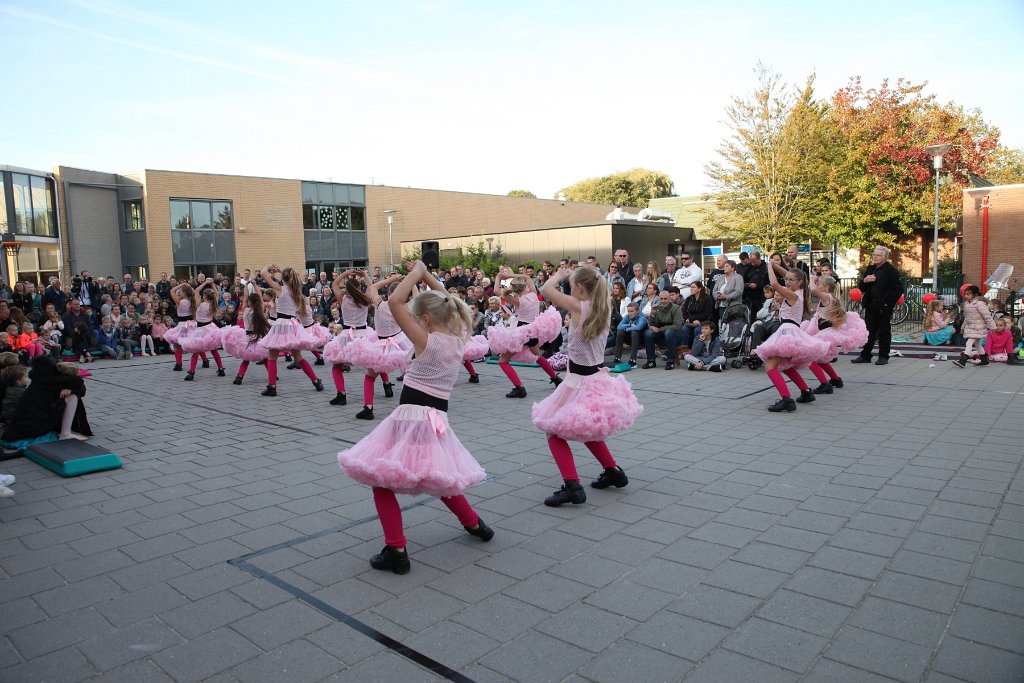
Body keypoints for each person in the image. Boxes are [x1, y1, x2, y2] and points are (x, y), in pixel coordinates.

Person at [338, 261, 492, 575]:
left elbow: (394, 302)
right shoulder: (459, 339)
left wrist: (417, 272)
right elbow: (449, 300)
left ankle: (396, 549)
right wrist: (427, 277)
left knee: (381, 480)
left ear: (423, 318)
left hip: (411, 418)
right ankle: (475, 525)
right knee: (440, 477)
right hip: (438, 418)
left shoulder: (425, 340)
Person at [534, 265, 642, 506]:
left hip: (578, 381)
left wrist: (559, 276)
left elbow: (545, 289)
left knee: (553, 431)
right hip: (596, 379)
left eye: (572, 285)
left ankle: (572, 485)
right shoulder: (604, 307)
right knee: (587, 428)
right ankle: (613, 471)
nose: (569, 289)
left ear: (580, 288)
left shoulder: (579, 307)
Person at [754, 261, 830, 412]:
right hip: (791, 331)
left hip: (787, 332)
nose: (787, 282)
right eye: (786, 280)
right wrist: (777, 267)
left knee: (770, 366)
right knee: (786, 365)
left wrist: (769, 267)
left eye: (790, 280)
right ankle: (806, 392)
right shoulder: (800, 291)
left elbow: (775, 285)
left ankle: (786, 399)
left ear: (800, 282)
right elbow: (788, 275)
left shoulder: (793, 295)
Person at [342, 274, 411, 420]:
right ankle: (410, 405)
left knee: (370, 377)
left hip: (382, 345)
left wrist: (391, 279)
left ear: (389, 293)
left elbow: (373, 287)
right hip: (401, 343)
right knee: (410, 374)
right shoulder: (405, 307)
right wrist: (410, 282)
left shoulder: (380, 304)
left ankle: (368, 408)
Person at [487, 267, 563, 398]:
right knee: (537, 356)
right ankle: (556, 379)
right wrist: (511, 274)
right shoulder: (533, 295)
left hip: (522, 332)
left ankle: (519, 388)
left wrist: (500, 277)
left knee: (503, 361)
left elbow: (496, 291)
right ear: (525, 287)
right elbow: (527, 278)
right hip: (533, 331)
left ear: (514, 290)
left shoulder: (518, 301)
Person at [257, 265, 326, 396]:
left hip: (281, 324)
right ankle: (316, 381)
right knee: (298, 356)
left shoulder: (280, 289)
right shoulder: (297, 291)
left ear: (283, 278)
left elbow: (263, 273)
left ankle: (272, 386)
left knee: (272, 355)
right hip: (293, 324)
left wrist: (271, 267)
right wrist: (281, 271)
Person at [2, 356, 92, 443]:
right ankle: (65, 433)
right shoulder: (52, 379)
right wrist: (71, 388)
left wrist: (71, 389)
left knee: (71, 395)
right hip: (34, 424)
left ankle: (65, 432)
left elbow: (80, 386)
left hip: (25, 422)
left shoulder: (38, 377)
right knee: (72, 397)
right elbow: (79, 382)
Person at [801, 275, 867, 395]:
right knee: (819, 359)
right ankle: (836, 379)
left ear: (826, 288)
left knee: (810, 358)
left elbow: (813, 289)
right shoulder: (829, 297)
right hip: (824, 332)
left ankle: (824, 384)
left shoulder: (826, 297)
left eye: (819, 284)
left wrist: (812, 277)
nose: (817, 285)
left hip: (826, 334)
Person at [323, 270, 378, 406]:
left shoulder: (343, 299)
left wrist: (345, 273)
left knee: (337, 365)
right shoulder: (365, 299)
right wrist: (365, 275)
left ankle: (341, 394)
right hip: (364, 334)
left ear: (347, 288)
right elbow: (372, 288)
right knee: (374, 362)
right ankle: (387, 384)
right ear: (359, 288)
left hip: (347, 334)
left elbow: (335, 284)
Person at [851, 246, 904, 366]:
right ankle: (866, 355)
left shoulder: (891, 271)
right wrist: (865, 281)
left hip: (883, 306)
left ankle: (883, 356)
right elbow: (861, 287)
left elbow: (898, 289)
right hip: (871, 304)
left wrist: (887, 303)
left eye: (878, 255)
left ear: (885, 257)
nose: (875, 257)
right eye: (874, 255)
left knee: (884, 331)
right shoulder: (870, 269)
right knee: (869, 331)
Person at [178, 280, 227, 380]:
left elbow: (195, 291)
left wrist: (205, 283)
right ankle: (221, 369)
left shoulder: (199, 304)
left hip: (200, 329)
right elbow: (217, 293)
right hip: (210, 328)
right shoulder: (213, 304)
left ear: (204, 297)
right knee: (214, 350)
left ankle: (191, 372)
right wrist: (212, 284)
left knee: (196, 352)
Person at [222, 292, 272, 385]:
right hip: (258, 337)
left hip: (248, 337)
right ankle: (272, 374)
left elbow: (245, 299)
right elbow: (260, 302)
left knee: (246, 359)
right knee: (265, 357)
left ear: (250, 302)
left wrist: (246, 287)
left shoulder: (246, 311)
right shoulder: (259, 312)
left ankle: (239, 377)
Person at [952, 285, 995, 368]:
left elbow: (987, 316)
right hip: (971, 327)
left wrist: (993, 327)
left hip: (978, 327)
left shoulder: (980, 304)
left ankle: (963, 361)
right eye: (965, 294)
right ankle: (984, 360)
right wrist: (963, 327)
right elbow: (967, 317)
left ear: (975, 295)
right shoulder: (967, 304)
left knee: (969, 343)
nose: (966, 296)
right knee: (977, 344)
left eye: (968, 294)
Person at [642, 290, 683, 370]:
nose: (663, 301)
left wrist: (660, 329)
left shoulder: (676, 308)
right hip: (661, 334)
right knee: (648, 333)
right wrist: (652, 315)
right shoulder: (657, 308)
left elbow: (677, 326)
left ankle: (670, 361)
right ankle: (651, 361)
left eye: (665, 299)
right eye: (661, 299)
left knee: (669, 333)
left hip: (674, 336)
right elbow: (653, 324)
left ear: (669, 299)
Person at [680, 281, 715, 350]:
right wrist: (687, 318)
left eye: (693, 287)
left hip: (703, 321)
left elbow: (707, 313)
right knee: (684, 329)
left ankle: (697, 350)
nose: (691, 289)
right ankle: (683, 351)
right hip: (690, 322)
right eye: (691, 287)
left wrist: (697, 320)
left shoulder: (707, 298)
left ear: (699, 289)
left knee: (698, 330)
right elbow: (684, 311)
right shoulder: (689, 299)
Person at [612, 302, 647, 367]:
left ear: (637, 311)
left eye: (632, 311)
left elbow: (638, 327)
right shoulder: (627, 317)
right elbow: (618, 327)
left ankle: (632, 360)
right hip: (630, 338)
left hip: (641, 339)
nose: (630, 313)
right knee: (620, 332)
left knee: (634, 332)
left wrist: (626, 329)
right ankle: (617, 358)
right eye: (628, 311)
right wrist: (630, 325)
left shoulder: (642, 317)